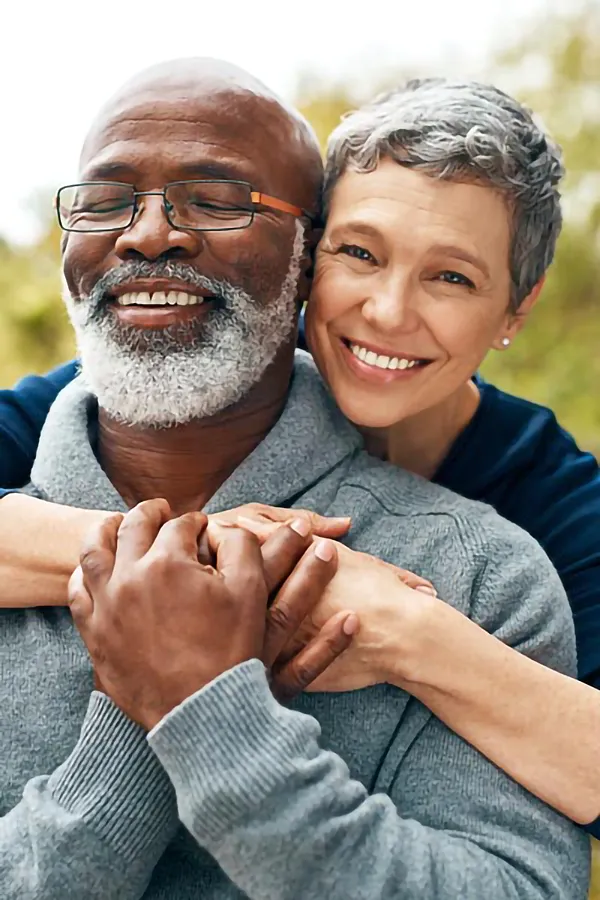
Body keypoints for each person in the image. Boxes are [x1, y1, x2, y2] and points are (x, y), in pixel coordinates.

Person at [0, 58, 589, 899]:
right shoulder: (26, 432)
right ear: (325, 259)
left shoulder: (504, 556)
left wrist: (226, 712)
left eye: (217, 199)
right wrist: (187, 577)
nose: (148, 234)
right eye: (364, 254)